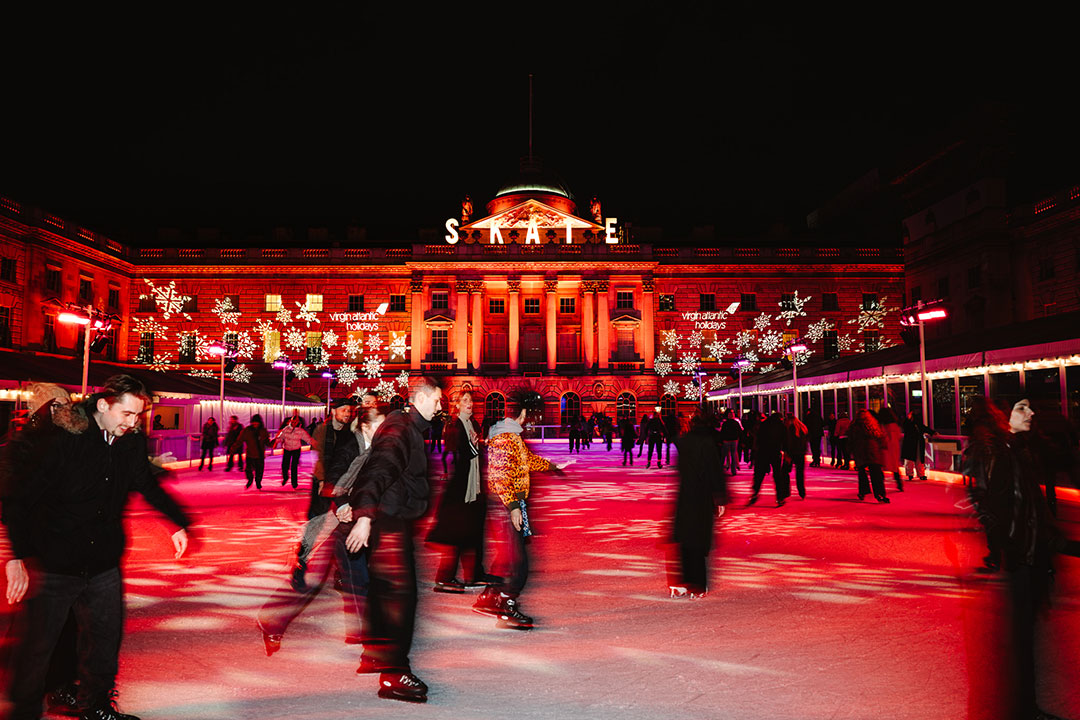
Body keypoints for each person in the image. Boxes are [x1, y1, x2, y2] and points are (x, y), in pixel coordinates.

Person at [3, 375, 190, 720]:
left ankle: (96, 706)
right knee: (37, 648)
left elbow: (145, 483)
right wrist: (16, 555)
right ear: (103, 405)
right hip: (56, 562)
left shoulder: (129, 442)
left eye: (138, 416)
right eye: (127, 414)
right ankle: (22, 712)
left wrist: (177, 521)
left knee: (104, 641)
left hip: (103, 561)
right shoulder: (64, 440)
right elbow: (20, 498)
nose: (132, 423)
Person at [342, 377, 443, 703]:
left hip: (391, 520)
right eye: (438, 401)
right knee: (401, 598)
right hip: (389, 522)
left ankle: (375, 654)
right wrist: (366, 516)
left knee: (384, 592)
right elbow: (380, 468)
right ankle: (393, 674)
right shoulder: (401, 427)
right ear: (422, 399)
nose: (441, 407)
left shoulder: (405, 427)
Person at [963, 396, 1064, 720]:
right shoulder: (1000, 452)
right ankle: (1020, 710)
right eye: (1022, 408)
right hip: (1021, 557)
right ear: (1004, 415)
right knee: (1020, 641)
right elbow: (990, 502)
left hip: (1031, 555)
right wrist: (1013, 545)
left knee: (1027, 639)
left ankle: (1025, 707)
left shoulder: (1016, 447)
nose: (1031, 412)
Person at [258, 406, 384, 655]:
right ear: (367, 426)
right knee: (316, 578)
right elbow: (333, 480)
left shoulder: (370, 446)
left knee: (356, 575)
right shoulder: (351, 445)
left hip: (346, 518)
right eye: (380, 423)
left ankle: (360, 631)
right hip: (331, 517)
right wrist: (344, 505)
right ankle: (272, 618)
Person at [473, 390, 568, 629]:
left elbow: (525, 460)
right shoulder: (506, 437)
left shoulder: (511, 436)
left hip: (514, 503)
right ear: (523, 414)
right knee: (519, 562)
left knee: (510, 555)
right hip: (510, 503)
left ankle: (488, 597)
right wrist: (514, 506)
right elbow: (500, 474)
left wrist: (552, 465)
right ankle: (505, 603)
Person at [427, 390, 499, 592]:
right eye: (464, 400)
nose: (469, 403)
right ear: (457, 405)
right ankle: (444, 577)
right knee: (457, 534)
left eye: (471, 400)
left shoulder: (472, 423)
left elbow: (474, 454)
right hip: (460, 490)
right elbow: (456, 454)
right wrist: (475, 447)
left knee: (474, 533)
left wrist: (478, 446)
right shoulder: (455, 425)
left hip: (473, 488)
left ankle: (474, 573)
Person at [294, 397, 356, 581]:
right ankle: (301, 561)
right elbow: (320, 457)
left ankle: (342, 570)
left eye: (349, 411)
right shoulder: (323, 429)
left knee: (345, 524)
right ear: (333, 411)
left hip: (342, 483)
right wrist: (322, 480)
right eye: (344, 410)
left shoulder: (351, 430)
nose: (347, 414)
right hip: (323, 482)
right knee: (315, 521)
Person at [670, 409, 729, 598]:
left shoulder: (684, 441)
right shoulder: (707, 443)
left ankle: (685, 578)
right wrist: (720, 498)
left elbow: (679, 467)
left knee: (686, 538)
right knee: (699, 539)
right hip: (702, 497)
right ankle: (699, 582)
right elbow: (715, 472)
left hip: (685, 495)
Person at [748, 412, 790, 507]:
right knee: (777, 475)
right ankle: (780, 497)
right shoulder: (781, 426)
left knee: (759, 474)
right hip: (775, 453)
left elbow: (758, 438)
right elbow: (785, 441)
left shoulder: (764, 425)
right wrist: (786, 452)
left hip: (763, 452)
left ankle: (755, 493)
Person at [848, 408, 889, 503]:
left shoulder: (854, 426)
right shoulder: (873, 425)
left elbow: (850, 440)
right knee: (876, 474)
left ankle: (863, 492)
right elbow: (881, 438)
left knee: (862, 473)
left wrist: (849, 451)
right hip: (873, 452)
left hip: (860, 452)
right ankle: (880, 494)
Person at [231, 414, 271, 490]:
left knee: (259, 471)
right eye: (253, 422)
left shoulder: (263, 431)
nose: (255, 424)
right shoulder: (247, 431)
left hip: (260, 455)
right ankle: (250, 480)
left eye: (257, 422)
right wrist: (233, 448)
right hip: (250, 454)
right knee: (248, 470)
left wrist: (273, 443)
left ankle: (258, 482)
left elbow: (267, 442)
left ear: (260, 422)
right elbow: (239, 441)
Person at [273, 415, 313, 489]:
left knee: (294, 466)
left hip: (296, 449)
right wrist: (276, 442)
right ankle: (285, 477)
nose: (294, 423)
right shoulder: (286, 429)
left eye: (295, 422)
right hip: (287, 448)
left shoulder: (300, 431)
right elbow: (281, 437)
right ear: (291, 421)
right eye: (292, 421)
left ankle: (294, 483)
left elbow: (307, 438)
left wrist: (314, 443)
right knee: (285, 465)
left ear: (297, 422)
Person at [901, 409, 935, 481]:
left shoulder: (908, 423)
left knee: (910, 459)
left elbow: (906, 427)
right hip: (918, 443)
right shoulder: (917, 424)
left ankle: (911, 474)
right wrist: (933, 432)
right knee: (918, 459)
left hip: (910, 443)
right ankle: (920, 474)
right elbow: (924, 428)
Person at [878, 405, 904, 491]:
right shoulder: (895, 425)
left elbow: (882, 436)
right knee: (894, 466)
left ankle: (880, 485)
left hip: (885, 447)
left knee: (881, 466)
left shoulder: (882, 426)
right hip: (895, 447)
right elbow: (898, 436)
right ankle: (899, 483)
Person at [784, 413, 809, 499]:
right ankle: (802, 492)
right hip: (800, 453)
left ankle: (786, 491)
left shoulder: (790, 429)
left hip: (792, 453)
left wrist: (787, 453)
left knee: (784, 471)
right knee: (800, 473)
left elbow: (789, 442)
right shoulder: (802, 428)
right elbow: (805, 442)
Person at [718, 409, 742, 475]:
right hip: (734, 440)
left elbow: (722, 432)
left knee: (724, 455)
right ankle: (733, 470)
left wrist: (721, 440)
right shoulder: (736, 423)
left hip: (727, 440)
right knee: (733, 455)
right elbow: (740, 431)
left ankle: (721, 470)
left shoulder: (725, 423)